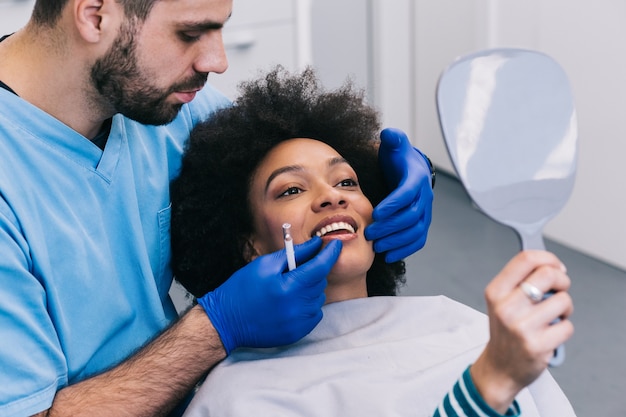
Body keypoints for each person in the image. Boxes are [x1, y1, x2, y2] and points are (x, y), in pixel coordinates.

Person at [0, 1, 435, 416]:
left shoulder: (152, 102)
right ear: (95, 17)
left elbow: (278, 147)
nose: (217, 60)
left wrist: (388, 163)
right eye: (190, 33)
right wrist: (216, 327)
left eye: (219, 27)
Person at [170, 66, 576, 417]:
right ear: (249, 245)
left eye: (347, 181)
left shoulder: (466, 329)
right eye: (291, 190)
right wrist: (489, 386)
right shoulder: (239, 399)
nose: (333, 196)